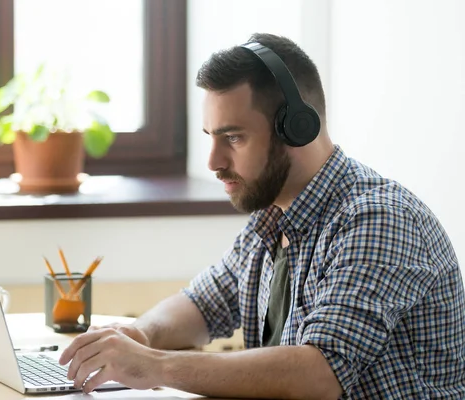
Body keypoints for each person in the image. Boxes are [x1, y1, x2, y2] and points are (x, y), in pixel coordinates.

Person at [58, 33, 465, 399]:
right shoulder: (271, 217)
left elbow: (318, 375)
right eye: (211, 138)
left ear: (297, 128)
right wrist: (140, 333)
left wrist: (155, 366)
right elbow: (203, 303)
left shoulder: (378, 220)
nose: (214, 162)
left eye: (233, 137)